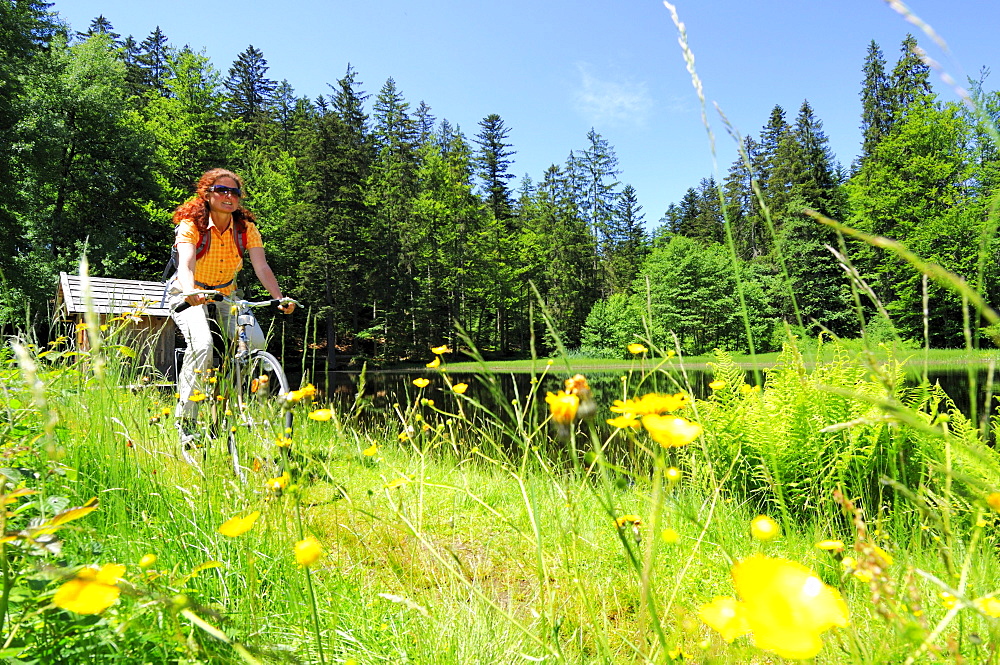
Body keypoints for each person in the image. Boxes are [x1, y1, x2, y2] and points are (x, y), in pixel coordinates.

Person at [166, 168, 295, 449]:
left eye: (234, 192)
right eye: (221, 191)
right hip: (188, 291)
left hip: (226, 293)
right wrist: (191, 292)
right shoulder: (191, 224)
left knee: (256, 342)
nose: (228, 197)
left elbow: (261, 266)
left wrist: (279, 297)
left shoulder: (244, 228)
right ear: (207, 194)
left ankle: (224, 407)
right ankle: (186, 422)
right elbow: (185, 264)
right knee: (202, 345)